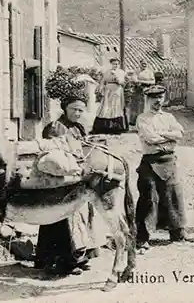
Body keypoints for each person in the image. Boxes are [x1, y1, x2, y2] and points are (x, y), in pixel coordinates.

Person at [35, 98, 104, 276]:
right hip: (59, 180)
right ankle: (61, 262)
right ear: (65, 109)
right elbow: (54, 154)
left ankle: (79, 257)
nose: (78, 113)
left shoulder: (79, 127)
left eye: (81, 110)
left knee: (80, 217)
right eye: (74, 109)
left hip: (77, 177)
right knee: (61, 220)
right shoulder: (55, 127)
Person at [135, 85, 194, 252]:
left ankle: (178, 233)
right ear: (148, 100)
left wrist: (162, 136)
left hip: (169, 160)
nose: (158, 101)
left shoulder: (169, 117)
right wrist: (168, 138)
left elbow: (180, 134)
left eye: (160, 97)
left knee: (174, 196)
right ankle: (142, 238)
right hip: (150, 162)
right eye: (154, 98)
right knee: (149, 199)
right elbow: (150, 138)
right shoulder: (142, 118)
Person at [94, 58, 127, 134]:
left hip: (117, 91)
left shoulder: (121, 72)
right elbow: (103, 81)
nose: (115, 65)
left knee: (116, 107)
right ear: (111, 64)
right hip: (108, 91)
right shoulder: (107, 72)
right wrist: (100, 89)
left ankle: (116, 127)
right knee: (106, 107)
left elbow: (123, 83)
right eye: (114, 64)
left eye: (117, 64)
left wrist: (117, 79)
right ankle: (104, 127)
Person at [128, 62, 156, 127]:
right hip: (137, 91)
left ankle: (145, 121)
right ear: (140, 64)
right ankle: (134, 121)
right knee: (136, 106)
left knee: (145, 105)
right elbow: (135, 80)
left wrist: (142, 82)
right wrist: (143, 82)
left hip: (146, 91)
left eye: (145, 64)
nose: (144, 65)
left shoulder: (150, 72)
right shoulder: (136, 72)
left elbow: (153, 81)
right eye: (142, 64)